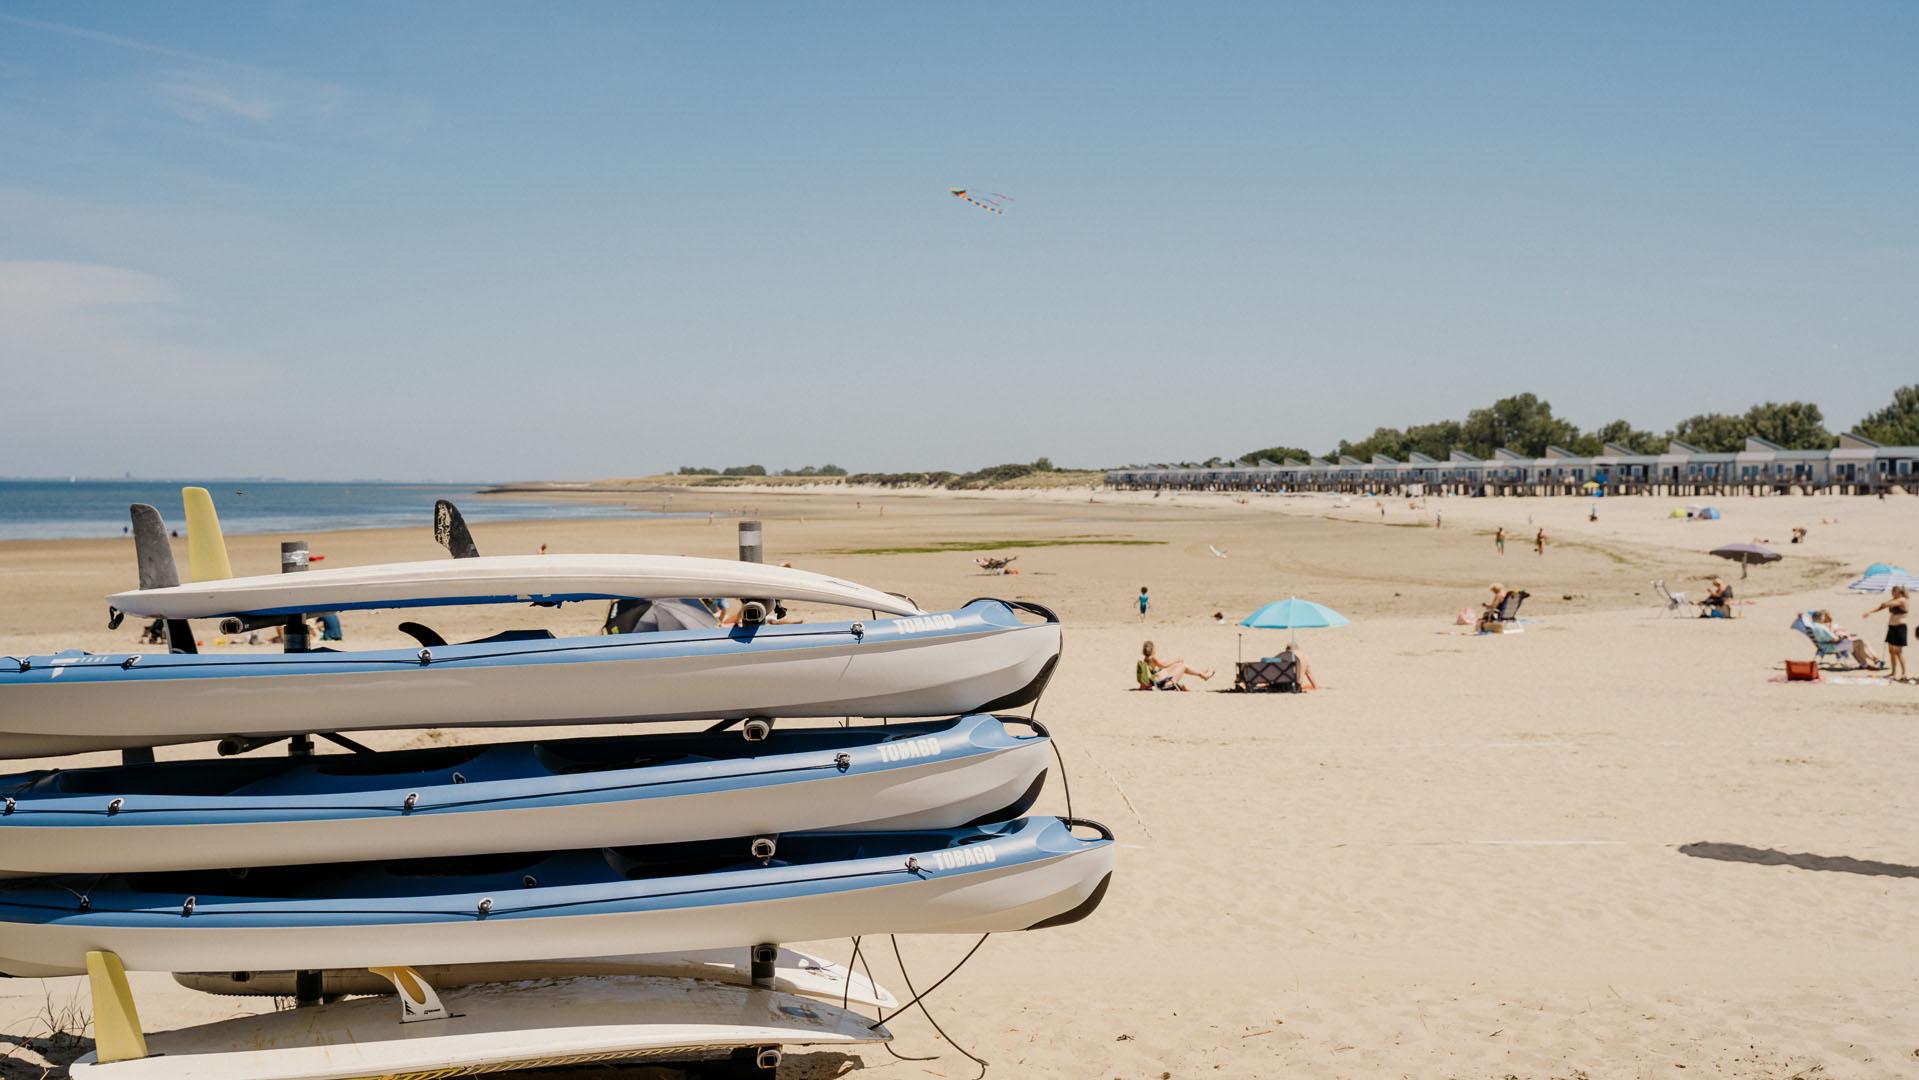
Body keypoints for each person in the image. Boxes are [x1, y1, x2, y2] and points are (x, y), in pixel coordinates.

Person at [1863, 585, 1909, 681]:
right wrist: (1870, 612)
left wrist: (1886, 603)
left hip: (1900, 628)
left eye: (1893, 591)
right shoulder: (1893, 600)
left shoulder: (1902, 600)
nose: (1892, 592)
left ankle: (1905, 673)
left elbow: (1888, 604)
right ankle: (1893, 672)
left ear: (1898, 591)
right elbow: (1882, 606)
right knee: (1891, 651)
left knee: (1898, 652)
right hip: (1892, 627)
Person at [1813, 610, 1881, 668]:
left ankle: (1865, 663)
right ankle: (1873, 659)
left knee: (1858, 643)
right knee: (1860, 642)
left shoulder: (1820, 627)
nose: (1830, 617)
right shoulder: (1823, 627)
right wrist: (1841, 637)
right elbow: (1832, 638)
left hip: (1835, 643)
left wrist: (1846, 636)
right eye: (1827, 616)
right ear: (1823, 617)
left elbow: (1831, 636)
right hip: (1833, 646)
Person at [1137, 641, 1212, 690]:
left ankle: (1201, 673)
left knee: (1179, 665)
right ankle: (1204, 675)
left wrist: (1176, 662)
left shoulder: (1146, 659)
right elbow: (1164, 665)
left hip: (1161, 680)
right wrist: (1177, 659)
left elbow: (1161, 665)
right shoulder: (1153, 657)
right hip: (1163, 683)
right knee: (1183, 666)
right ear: (1153, 649)